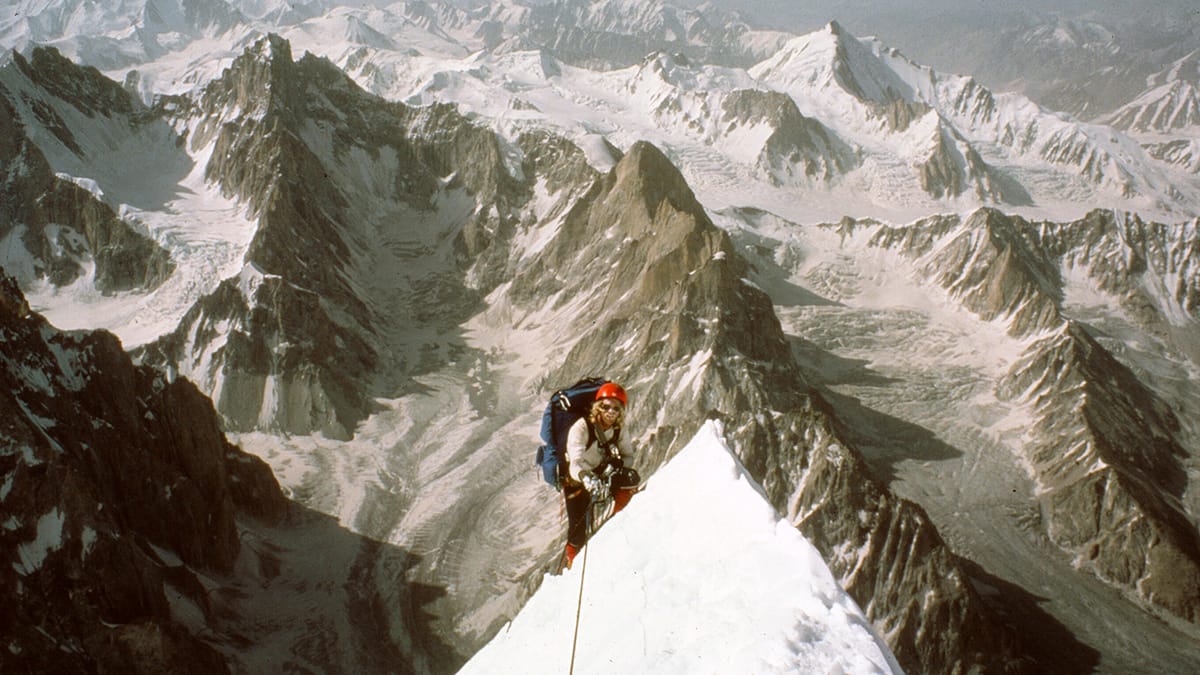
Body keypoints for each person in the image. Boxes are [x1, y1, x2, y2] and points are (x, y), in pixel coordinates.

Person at [562, 382, 640, 567]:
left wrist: (617, 467)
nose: (610, 412)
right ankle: (573, 561)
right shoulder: (581, 428)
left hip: (601, 473)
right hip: (576, 479)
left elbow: (628, 456)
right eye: (605, 407)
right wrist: (585, 477)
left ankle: (615, 527)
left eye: (616, 408)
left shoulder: (619, 429)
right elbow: (575, 462)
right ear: (598, 407)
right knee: (578, 528)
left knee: (630, 479)